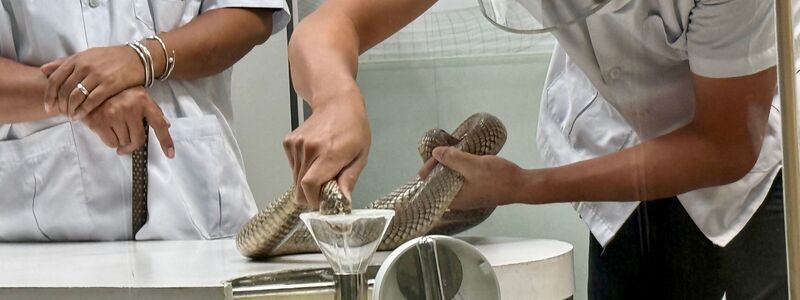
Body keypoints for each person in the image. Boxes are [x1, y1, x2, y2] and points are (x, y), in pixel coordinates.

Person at [285, 0, 786, 298]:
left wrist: (523, 186)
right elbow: (331, 25)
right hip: (617, 149)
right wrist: (336, 98)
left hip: (759, 172)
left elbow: (724, 145)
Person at [0, 1, 289, 241]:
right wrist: (84, 95)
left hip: (193, 213)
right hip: (43, 230)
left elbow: (250, 13)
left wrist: (141, 59)